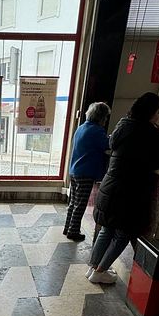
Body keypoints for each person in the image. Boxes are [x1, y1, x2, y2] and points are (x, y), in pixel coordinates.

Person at [88, 92, 159, 285]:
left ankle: (92, 268)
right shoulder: (148, 132)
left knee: (106, 230)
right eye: (157, 112)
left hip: (110, 186)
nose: (158, 116)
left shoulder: (123, 125)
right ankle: (100, 271)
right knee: (122, 235)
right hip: (128, 194)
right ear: (151, 112)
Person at [63, 101, 111, 240]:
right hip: (86, 172)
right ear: (101, 117)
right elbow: (107, 144)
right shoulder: (97, 131)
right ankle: (73, 232)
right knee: (80, 204)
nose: (106, 120)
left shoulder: (81, 128)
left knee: (73, 202)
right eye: (106, 117)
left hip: (74, 170)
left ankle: (68, 228)